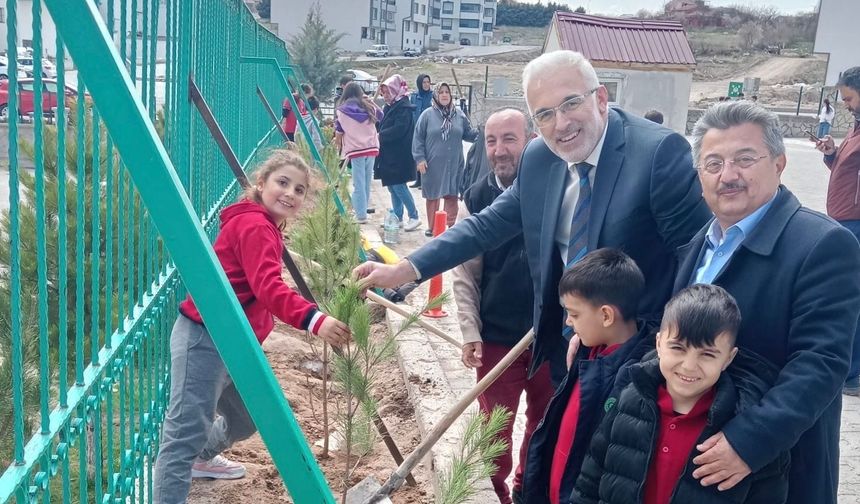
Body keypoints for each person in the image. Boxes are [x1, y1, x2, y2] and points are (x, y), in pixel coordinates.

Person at [355, 50, 711, 385]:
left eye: (571, 103)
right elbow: (485, 226)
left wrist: (664, 344)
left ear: (601, 99)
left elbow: (696, 261)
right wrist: (405, 269)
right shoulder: (540, 157)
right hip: (562, 339)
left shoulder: (656, 154)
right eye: (544, 114)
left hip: (636, 348)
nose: (561, 124)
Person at [676, 100, 860, 504]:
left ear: (779, 163)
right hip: (698, 462)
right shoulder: (697, 245)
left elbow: (821, 363)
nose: (728, 175)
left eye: (745, 159)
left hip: (778, 464)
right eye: (713, 163)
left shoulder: (823, 245)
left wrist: (748, 441)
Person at [152, 150, 352, 504]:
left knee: (246, 416)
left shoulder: (264, 225)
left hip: (236, 343)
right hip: (206, 339)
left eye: (300, 189)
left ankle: (202, 457)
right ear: (261, 184)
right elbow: (268, 287)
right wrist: (315, 319)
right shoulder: (256, 225)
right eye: (283, 183)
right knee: (184, 434)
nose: (290, 193)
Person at [572, 284, 789, 504]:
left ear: (728, 359)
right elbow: (589, 480)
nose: (689, 366)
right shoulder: (628, 397)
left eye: (707, 355)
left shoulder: (747, 431)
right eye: (678, 348)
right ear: (658, 344)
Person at [452, 108, 552, 504]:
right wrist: (470, 331)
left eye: (509, 139)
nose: (499, 150)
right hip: (495, 340)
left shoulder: (557, 191)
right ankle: (496, 495)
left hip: (548, 337)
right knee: (496, 428)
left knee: (543, 423)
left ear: (530, 140)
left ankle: (528, 489)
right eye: (491, 141)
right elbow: (464, 274)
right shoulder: (475, 198)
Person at [521, 249, 655, 504]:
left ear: (606, 315)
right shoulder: (588, 352)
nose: (569, 323)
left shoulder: (635, 379)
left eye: (574, 314)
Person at [815, 67, 860, 397]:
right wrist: (832, 153)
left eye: (849, 98)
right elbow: (847, 169)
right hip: (846, 218)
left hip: (856, 221)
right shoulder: (857, 129)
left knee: (852, 297)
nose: (846, 104)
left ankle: (853, 373)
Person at [412, 82, 480, 236]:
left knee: (451, 195)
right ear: (436, 95)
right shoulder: (427, 115)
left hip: (454, 163)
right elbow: (418, 138)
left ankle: (450, 227)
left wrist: (483, 132)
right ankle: (433, 227)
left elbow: (468, 134)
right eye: (441, 92)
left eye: (447, 92)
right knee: (433, 196)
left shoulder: (459, 115)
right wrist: (420, 159)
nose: (444, 95)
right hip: (432, 163)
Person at [374, 74, 422, 231]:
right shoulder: (390, 106)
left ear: (395, 90)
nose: (385, 96)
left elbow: (399, 130)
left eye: (388, 92)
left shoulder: (404, 108)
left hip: (400, 155)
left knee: (399, 185)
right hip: (389, 154)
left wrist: (381, 135)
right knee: (392, 186)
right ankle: (397, 216)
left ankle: (414, 216)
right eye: (384, 93)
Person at [335, 82, 384, 225]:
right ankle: (363, 211)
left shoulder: (341, 111)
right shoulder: (368, 108)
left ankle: (361, 214)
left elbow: (339, 131)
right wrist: (371, 102)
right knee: (367, 182)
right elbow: (381, 115)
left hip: (356, 150)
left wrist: (339, 145)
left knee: (358, 183)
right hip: (371, 148)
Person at [409, 74, 434, 188]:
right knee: (418, 153)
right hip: (417, 128)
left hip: (429, 128)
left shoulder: (433, 96)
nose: (426, 84)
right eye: (424, 82)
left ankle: (425, 180)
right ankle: (418, 179)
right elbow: (411, 112)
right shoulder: (415, 96)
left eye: (428, 82)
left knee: (427, 155)